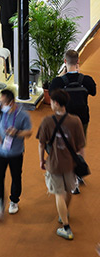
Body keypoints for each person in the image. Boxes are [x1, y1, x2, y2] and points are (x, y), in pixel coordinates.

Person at [37, 89, 87, 240]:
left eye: (52, 102)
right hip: (71, 163)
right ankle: (64, 213)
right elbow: (81, 146)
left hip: (55, 163)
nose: (51, 104)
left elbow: (41, 144)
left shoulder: (47, 121)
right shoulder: (76, 121)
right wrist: (81, 161)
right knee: (69, 189)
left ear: (57, 103)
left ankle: (66, 227)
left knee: (58, 193)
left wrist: (41, 160)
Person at [0, 89, 32, 220]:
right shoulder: (0, 108)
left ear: (11, 103)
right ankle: (0, 204)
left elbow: (29, 132)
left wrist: (17, 133)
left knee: (16, 177)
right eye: (1, 102)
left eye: (4, 103)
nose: (2, 105)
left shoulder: (23, 115)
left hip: (16, 153)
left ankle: (14, 200)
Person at [49, 49, 96, 139]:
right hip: (82, 119)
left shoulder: (58, 81)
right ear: (78, 61)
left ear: (65, 61)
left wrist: (61, 75)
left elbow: (51, 92)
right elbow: (93, 92)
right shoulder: (87, 80)